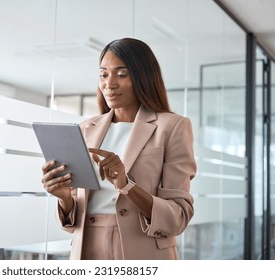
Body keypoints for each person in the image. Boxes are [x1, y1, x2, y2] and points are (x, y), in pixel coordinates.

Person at [41, 38, 196, 260]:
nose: (109, 84)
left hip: (143, 250)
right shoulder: (85, 130)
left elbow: (178, 217)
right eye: (103, 74)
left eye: (121, 74)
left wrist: (126, 185)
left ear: (143, 77)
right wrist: (64, 198)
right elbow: (71, 222)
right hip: (86, 249)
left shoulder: (172, 127)